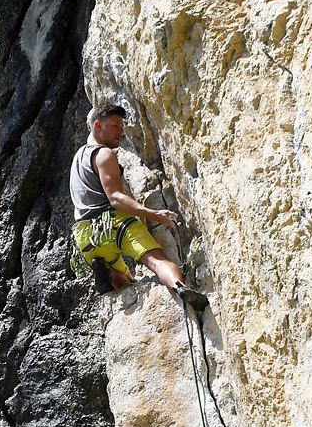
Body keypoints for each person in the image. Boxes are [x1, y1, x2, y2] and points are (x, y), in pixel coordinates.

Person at [70, 103, 209, 310]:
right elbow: (115, 198)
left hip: (85, 237)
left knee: (124, 277)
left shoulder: (77, 159)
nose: (121, 130)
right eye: (116, 125)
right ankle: (180, 287)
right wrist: (153, 214)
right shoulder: (104, 154)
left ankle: (109, 274)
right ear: (98, 125)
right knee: (157, 261)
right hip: (114, 225)